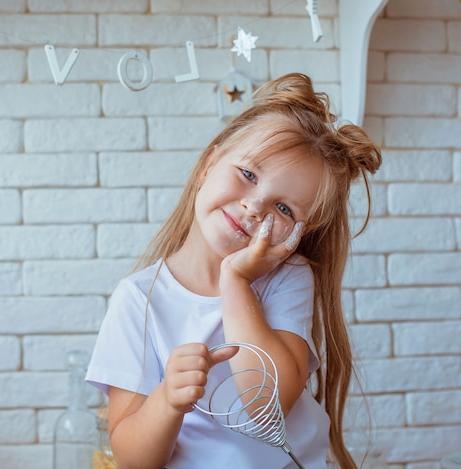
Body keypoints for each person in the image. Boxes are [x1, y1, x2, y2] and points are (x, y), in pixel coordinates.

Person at [86, 72, 381, 469]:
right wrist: (167, 399)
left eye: (284, 209)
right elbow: (133, 460)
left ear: (300, 232)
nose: (255, 207)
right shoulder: (139, 299)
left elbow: (266, 406)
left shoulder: (287, 278)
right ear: (209, 163)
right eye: (248, 175)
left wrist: (236, 279)